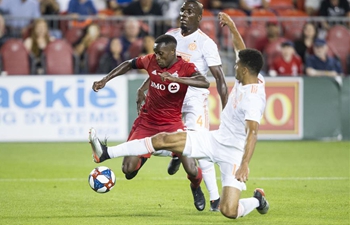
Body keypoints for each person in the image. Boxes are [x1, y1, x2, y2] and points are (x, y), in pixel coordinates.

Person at [88, 12, 269, 220]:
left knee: (229, 211)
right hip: (215, 139)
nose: (235, 68)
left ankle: (257, 200)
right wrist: (232, 26)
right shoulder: (251, 75)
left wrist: (245, 163)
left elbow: (253, 132)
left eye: (237, 66)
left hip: (234, 153)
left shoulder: (253, 99)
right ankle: (105, 153)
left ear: (245, 70)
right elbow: (241, 49)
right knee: (162, 139)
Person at [91, 34, 210, 211]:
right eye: (156, 53)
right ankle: (149, 152)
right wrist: (105, 80)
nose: (157, 57)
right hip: (147, 121)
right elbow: (128, 65)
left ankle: (195, 187)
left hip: (172, 123)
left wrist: (177, 79)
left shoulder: (185, 67)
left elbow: (204, 82)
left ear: (172, 52)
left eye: (161, 54)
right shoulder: (151, 60)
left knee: (192, 169)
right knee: (128, 171)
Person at [136, 0, 228, 211]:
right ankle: (177, 153)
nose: (184, 14)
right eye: (182, 10)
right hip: (169, 100)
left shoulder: (206, 44)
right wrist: (144, 87)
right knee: (160, 140)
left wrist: (227, 111)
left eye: (190, 11)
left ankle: (214, 198)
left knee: (200, 146)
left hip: (194, 101)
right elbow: (158, 65)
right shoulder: (172, 36)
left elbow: (220, 80)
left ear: (199, 17)